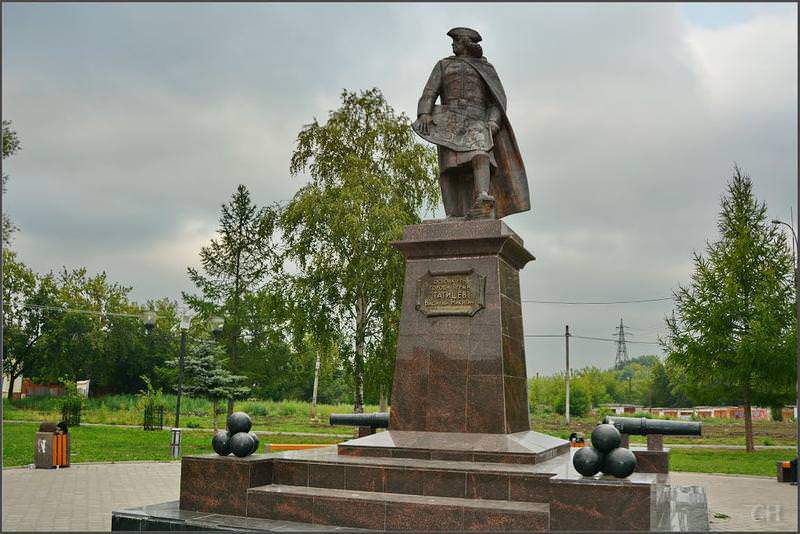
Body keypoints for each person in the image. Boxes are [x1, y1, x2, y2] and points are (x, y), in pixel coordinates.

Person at [414, 27, 530, 219]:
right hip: (448, 123)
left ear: (466, 43)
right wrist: (424, 113)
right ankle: (452, 214)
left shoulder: (486, 68)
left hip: (477, 121)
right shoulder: (443, 65)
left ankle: (483, 197)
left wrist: (493, 122)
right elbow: (429, 92)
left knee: (480, 155)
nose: (453, 44)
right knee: (449, 169)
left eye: (457, 40)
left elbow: (497, 100)